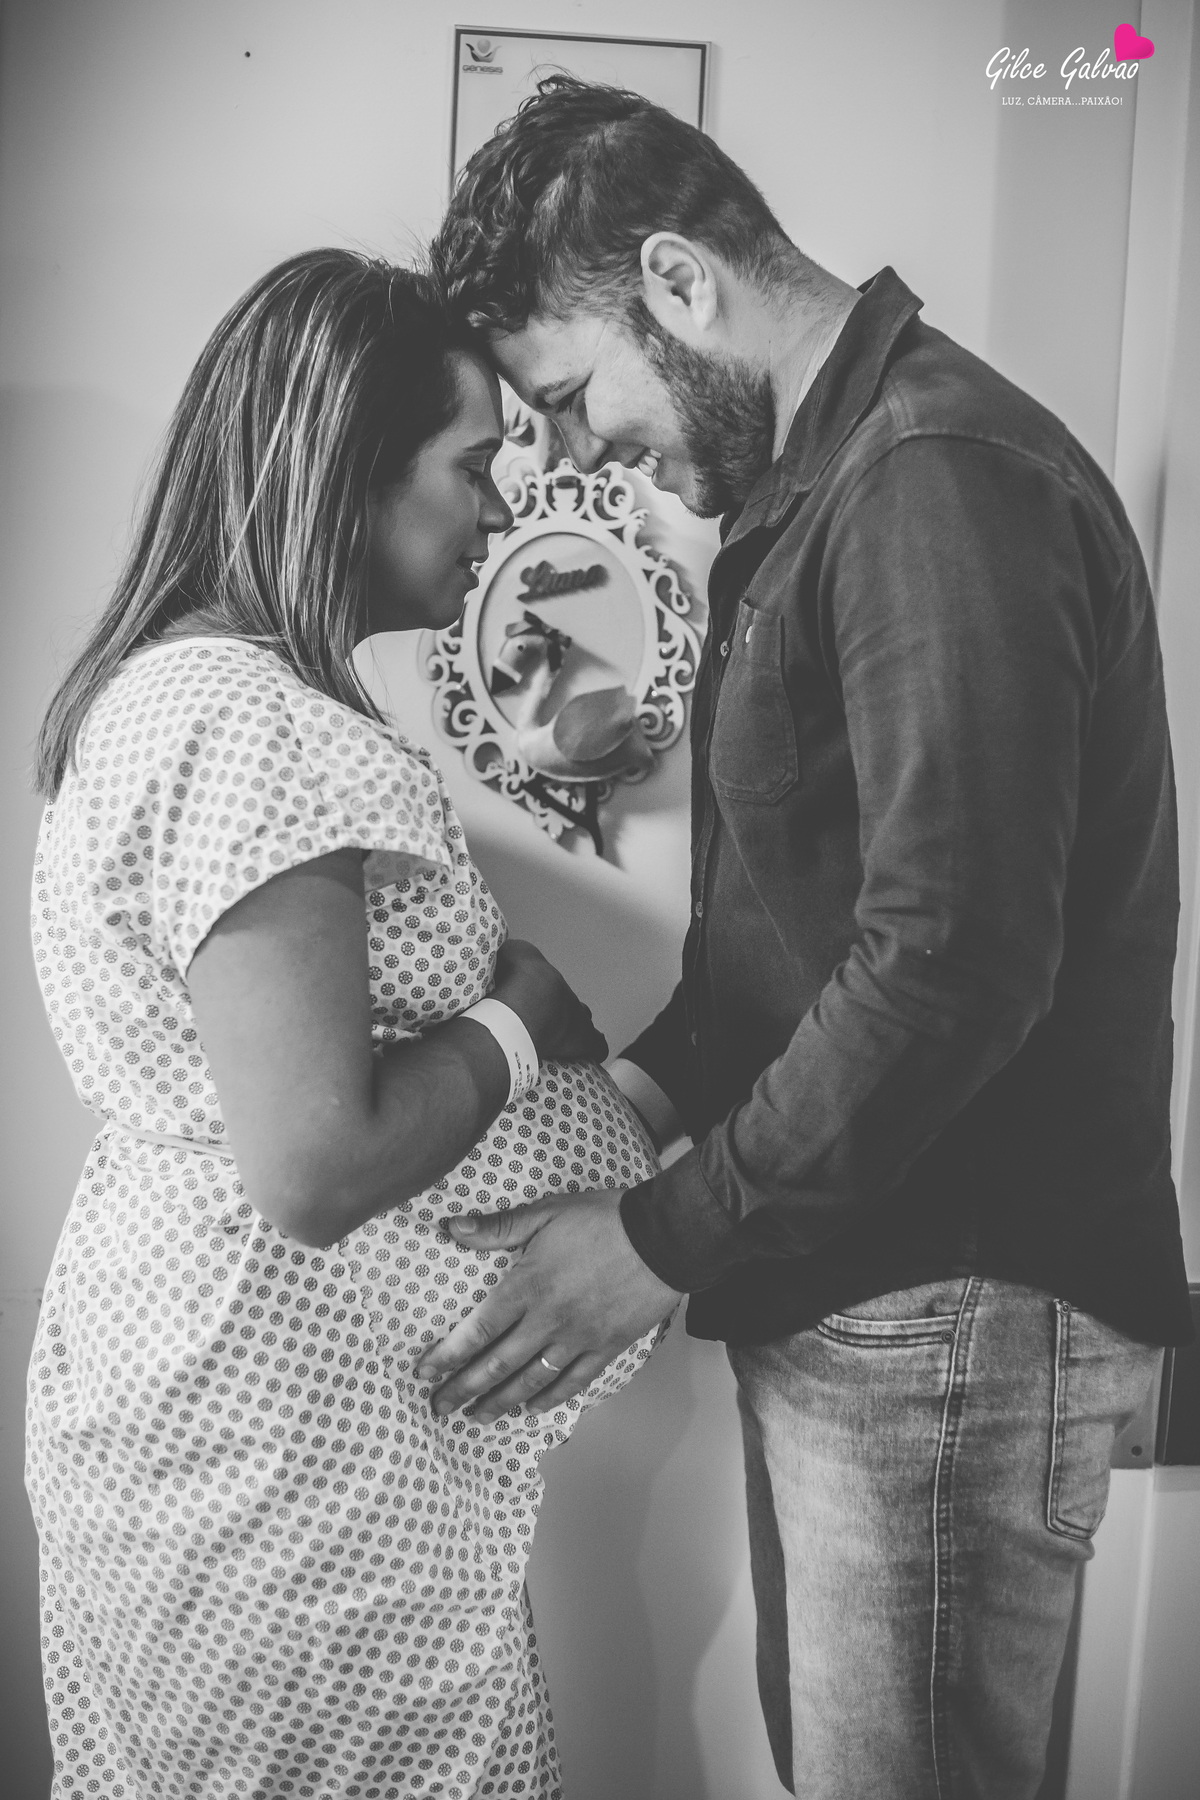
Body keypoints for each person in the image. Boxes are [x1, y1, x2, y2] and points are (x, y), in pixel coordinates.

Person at [421, 77, 1194, 1798]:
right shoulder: (826, 490)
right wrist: (607, 1112)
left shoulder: (934, 480)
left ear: (679, 282)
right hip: (874, 1298)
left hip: (952, 1312)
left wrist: (657, 1235)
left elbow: (951, 963)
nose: (575, 456)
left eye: (573, 396)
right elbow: (779, 945)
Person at [26, 248, 669, 1800]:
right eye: (471, 466)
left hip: (285, 1448)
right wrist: (519, 1020)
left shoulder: (192, 698)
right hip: (279, 1488)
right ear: (345, 471)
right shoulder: (249, 725)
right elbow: (317, 1165)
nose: (501, 511)